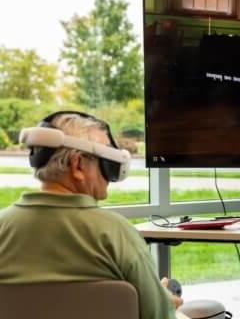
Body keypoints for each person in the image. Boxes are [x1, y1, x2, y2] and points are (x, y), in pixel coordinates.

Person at [0, 111, 185, 319]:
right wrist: (164, 300)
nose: (110, 175)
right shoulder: (117, 234)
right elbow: (158, 315)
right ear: (78, 165)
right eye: (106, 163)